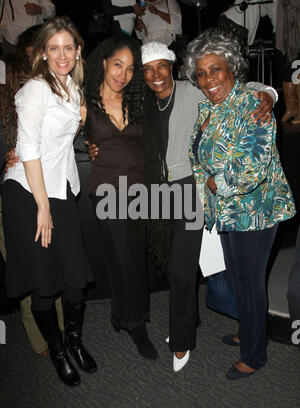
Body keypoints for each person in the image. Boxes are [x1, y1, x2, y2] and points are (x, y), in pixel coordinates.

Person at [89, 41, 277, 372]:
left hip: (191, 188)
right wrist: (91, 145)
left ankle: (181, 340)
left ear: (173, 66)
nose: (155, 74)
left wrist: (269, 93)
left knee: (181, 268)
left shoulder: (193, 90)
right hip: (158, 191)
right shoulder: (143, 101)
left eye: (161, 66)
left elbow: (239, 88)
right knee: (170, 261)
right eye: (147, 69)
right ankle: (189, 319)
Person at [186, 29, 296, 379]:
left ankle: (255, 354)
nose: (208, 79)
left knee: (249, 283)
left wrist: (216, 182)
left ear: (231, 67)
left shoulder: (251, 102)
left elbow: (252, 166)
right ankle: (250, 330)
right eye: (201, 73)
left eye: (215, 69)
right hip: (227, 212)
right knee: (238, 279)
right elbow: (198, 156)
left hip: (257, 211)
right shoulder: (207, 109)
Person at [2, 16, 97, 386]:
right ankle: (57, 350)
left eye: (68, 47)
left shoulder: (72, 86)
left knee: (75, 278)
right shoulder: (35, 89)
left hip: (61, 188)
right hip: (29, 193)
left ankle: (73, 340)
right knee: (44, 283)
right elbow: (27, 148)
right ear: (43, 52)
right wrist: (42, 206)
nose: (61, 54)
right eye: (53, 48)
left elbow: (62, 137)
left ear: (77, 51)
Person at [83, 37, 158, 360]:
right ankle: (135, 323)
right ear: (103, 63)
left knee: (134, 257)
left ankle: (121, 315)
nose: (123, 74)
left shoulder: (138, 100)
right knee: (120, 255)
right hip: (107, 190)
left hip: (139, 190)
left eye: (130, 69)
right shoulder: (84, 104)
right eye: (118, 65)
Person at [1, 26, 65, 357]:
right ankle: (44, 342)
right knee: (28, 274)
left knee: (49, 267)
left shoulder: (42, 98)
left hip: (37, 191)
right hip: (10, 198)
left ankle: (58, 333)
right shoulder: (13, 103)